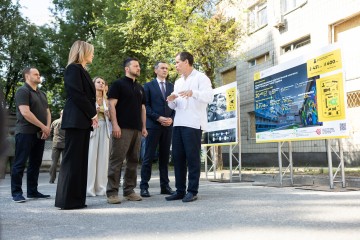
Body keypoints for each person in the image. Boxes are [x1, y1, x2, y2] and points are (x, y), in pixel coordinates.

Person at [55, 40, 98, 210]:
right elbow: (77, 95)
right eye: (91, 51)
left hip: (82, 120)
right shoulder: (73, 68)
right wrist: (93, 113)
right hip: (75, 120)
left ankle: (77, 199)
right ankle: (67, 200)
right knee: (72, 161)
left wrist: (90, 115)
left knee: (80, 161)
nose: (93, 54)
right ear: (83, 51)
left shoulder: (82, 70)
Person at [166, 52, 213, 202]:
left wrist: (193, 93)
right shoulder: (178, 82)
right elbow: (175, 105)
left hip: (193, 123)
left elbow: (209, 96)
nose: (175, 66)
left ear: (186, 62)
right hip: (178, 123)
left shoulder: (201, 77)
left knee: (192, 158)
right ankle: (180, 190)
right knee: (178, 158)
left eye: (177, 62)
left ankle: (192, 191)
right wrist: (171, 100)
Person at [106, 57, 148, 204]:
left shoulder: (140, 88)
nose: (139, 68)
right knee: (116, 161)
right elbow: (111, 106)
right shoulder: (118, 84)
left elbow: (143, 109)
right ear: (127, 68)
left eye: (139, 66)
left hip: (137, 129)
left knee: (133, 161)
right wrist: (115, 125)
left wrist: (143, 127)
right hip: (122, 128)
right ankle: (112, 193)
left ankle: (129, 191)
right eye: (135, 66)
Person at [11, 67, 51, 203]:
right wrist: (43, 126)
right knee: (20, 163)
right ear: (27, 76)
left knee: (35, 163)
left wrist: (47, 128)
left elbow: (47, 112)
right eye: (36, 74)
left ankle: (32, 191)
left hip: (40, 134)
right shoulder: (22, 91)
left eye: (39, 74)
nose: (39, 76)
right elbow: (25, 112)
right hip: (25, 132)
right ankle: (16, 193)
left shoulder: (42, 93)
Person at [140, 61, 175, 197]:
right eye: (162, 68)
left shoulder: (173, 86)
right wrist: (158, 118)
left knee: (165, 158)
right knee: (148, 157)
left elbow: (176, 105)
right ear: (156, 70)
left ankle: (165, 186)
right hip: (153, 126)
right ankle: (144, 186)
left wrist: (171, 118)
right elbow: (146, 107)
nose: (165, 70)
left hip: (168, 126)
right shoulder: (148, 86)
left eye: (167, 68)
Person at [87, 77, 111, 196]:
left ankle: (101, 188)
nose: (101, 84)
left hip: (105, 128)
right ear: (93, 84)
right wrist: (93, 111)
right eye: (98, 82)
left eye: (103, 82)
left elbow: (112, 117)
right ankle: (89, 188)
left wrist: (109, 114)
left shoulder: (107, 100)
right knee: (91, 158)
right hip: (93, 128)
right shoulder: (89, 98)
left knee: (103, 159)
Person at [49, 110, 65, 184]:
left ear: (60, 114)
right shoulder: (67, 122)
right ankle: (62, 179)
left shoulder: (55, 122)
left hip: (55, 144)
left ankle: (52, 179)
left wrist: (53, 138)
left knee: (54, 162)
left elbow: (50, 132)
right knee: (64, 162)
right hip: (65, 144)